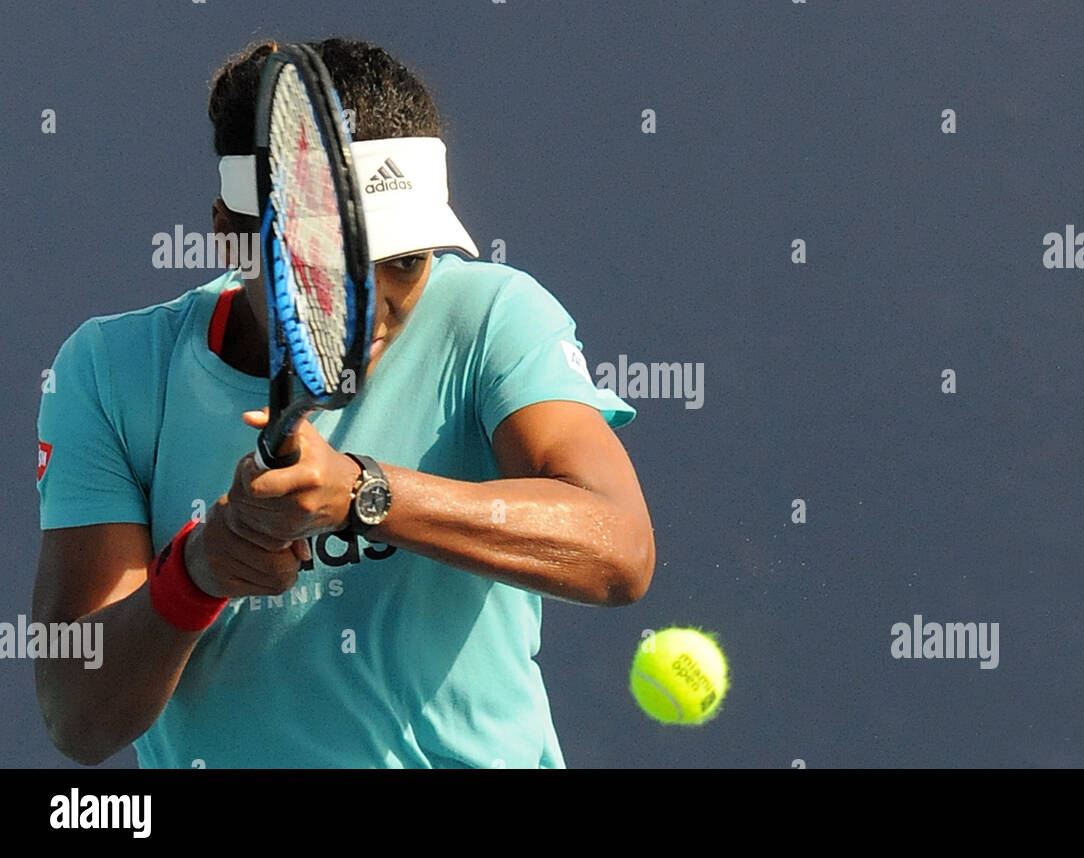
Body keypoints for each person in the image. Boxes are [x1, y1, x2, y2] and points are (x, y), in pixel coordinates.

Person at [32, 37, 655, 769]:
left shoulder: (494, 315)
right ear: (232, 235)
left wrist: (363, 492)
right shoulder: (110, 370)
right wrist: (196, 575)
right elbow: (77, 718)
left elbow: (620, 550)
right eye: (332, 267)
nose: (374, 306)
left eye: (406, 262)